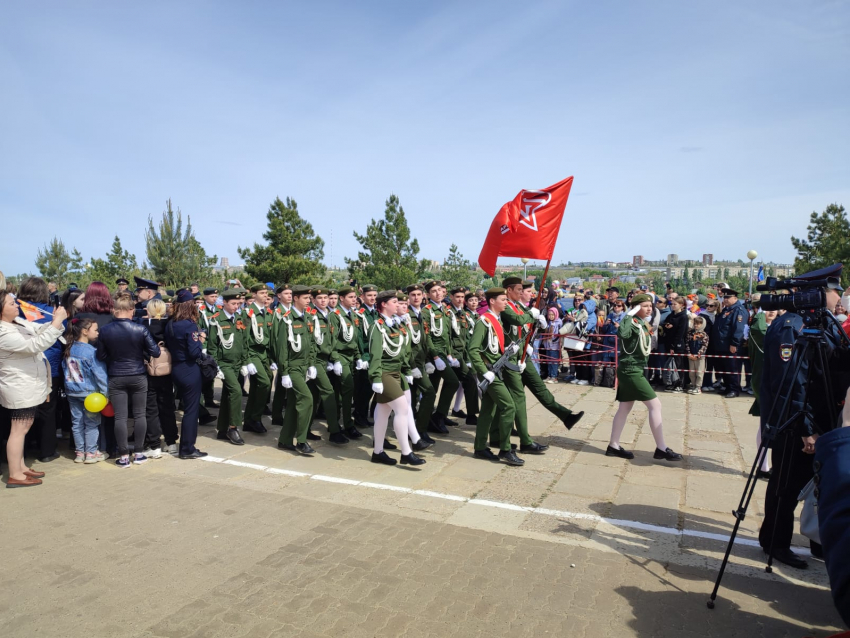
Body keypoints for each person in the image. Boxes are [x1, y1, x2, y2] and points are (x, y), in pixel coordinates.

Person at [757, 265, 848, 569]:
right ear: (815, 292)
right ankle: (775, 542)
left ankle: (819, 540)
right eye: (836, 290)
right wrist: (806, 429)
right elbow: (790, 384)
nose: (840, 296)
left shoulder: (825, 322)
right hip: (794, 423)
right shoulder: (791, 326)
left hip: (823, 422)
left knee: (820, 484)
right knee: (786, 486)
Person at [0, 290, 67, 487]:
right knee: (18, 429)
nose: (17, 306)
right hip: (18, 385)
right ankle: (15, 474)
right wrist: (56, 324)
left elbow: (38, 329)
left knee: (25, 426)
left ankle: (21, 467)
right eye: (11, 304)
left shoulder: (16, 323)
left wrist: (55, 320)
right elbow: (35, 345)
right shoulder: (3, 332)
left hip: (28, 384)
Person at [606, 293, 683, 462]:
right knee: (655, 405)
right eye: (645, 305)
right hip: (630, 369)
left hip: (635, 368)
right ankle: (661, 448)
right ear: (635, 307)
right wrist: (629, 314)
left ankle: (613, 445)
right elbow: (623, 334)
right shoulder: (631, 321)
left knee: (625, 408)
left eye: (651, 305)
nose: (650, 308)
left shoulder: (641, 322)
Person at [97, 293, 161, 468]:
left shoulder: (105, 330)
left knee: (121, 417)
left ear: (114, 310)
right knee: (140, 414)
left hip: (116, 375)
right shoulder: (140, 329)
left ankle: (124, 456)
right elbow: (156, 352)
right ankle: (139, 453)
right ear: (131, 310)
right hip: (138, 374)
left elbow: (101, 355)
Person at [367, 290, 426, 466]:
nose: (398, 304)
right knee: (402, 409)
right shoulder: (377, 326)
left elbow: (402, 351)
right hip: (384, 372)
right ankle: (406, 452)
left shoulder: (396, 325)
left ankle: (378, 452)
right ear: (384, 304)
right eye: (394, 301)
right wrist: (376, 377)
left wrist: (407, 370)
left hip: (397, 372)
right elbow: (375, 354)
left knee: (384, 412)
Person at [468, 287, 523, 465]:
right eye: (503, 300)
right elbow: (473, 350)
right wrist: (484, 372)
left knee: (487, 410)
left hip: (495, 369)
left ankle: (480, 446)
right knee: (509, 406)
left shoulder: (497, 320)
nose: (506, 303)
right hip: (489, 372)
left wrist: (510, 350)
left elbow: (493, 347)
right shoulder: (484, 321)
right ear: (492, 301)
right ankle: (505, 449)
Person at [17, 277, 65, 462]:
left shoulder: (15, 309)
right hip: (49, 367)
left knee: (22, 411)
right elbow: (63, 328)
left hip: (23, 366)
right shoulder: (50, 312)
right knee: (47, 409)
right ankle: (47, 451)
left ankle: (23, 448)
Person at [165, 289, 208, 459]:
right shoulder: (189, 325)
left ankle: (185, 446)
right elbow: (194, 352)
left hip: (175, 367)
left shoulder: (170, 323)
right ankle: (187, 448)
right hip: (189, 368)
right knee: (191, 411)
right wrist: (201, 340)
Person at [275, 285, 317, 455]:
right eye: (306, 298)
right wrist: (284, 372)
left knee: (293, 404)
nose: (309, 301)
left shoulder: (307, 317)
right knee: (307, 399)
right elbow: (282, 349)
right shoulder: (286, 319)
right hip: (292, 366)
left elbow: (311, 343)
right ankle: (301, 440)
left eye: (309, 298)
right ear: (296, 298)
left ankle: (285, 440)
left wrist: (312, 364)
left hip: (304, 365)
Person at [62, 317, 108, 464]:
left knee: (76, 423)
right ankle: (91, 452)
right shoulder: (91, 352)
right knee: (91, 423)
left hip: (72, 392)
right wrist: (106, 393)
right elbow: (100, 375)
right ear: (84, 331)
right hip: (90, 394)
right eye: (95, 329)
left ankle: (80, 453)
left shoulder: (69, 349)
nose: (98, 333)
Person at [207, 289, 249, 446]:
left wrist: (245, 362)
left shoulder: (242, 317)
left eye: (238, 303)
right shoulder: (215, 320)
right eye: (233, 303)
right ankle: (233, 427)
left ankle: (222, 429)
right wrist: (216, 366)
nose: (236, 306)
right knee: (236, 392)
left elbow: (245, 341)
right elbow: (212, 346)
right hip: (225, 363)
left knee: (228, 395)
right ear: (224, 302)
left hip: (238, 362)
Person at [307, 287, 347, 444]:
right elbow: (310, 342)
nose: (324, 301)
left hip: (325, 360)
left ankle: (305, 429)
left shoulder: (329, 316)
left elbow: (332, 340)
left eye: (326, 298)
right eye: (320, 298)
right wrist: (310, 363)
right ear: (314, 300)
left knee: (314, 397)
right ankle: (334, 431)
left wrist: (334, 359)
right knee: (328, 392)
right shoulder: (311, 316)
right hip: (315, 360)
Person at [421, 281, 460, 434]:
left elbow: (447, 335)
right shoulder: (426, 311)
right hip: (434, 354)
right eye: (434, 291)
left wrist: (449, 354)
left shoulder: (445, 309)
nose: (438, 293)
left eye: (439, 290)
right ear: (428, 295)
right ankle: (437, 417)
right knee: (452, 382)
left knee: (434, 387)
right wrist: (436, 357)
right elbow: (427, 336)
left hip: (444, 352)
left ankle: (433, 418)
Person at [141, 298, 176, 457]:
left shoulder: (143, 326)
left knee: (151, 409)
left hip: (149, 371)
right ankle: (171, 442)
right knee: (167, 407)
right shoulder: (169, 326)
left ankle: (154, 444)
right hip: (167, 371)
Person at [329, 286, 364, 441]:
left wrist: (358, 357)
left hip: (350, 357)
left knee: (341, 391)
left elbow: (354, 338)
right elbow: (332, 341)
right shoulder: (335, 315)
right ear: (341, 299)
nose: (354, 299)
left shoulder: (352, 314)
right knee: (346, 390)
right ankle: (346, 425)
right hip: (340, 356)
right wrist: (336, 360)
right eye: (350, 297)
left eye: (354, 297)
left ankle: (337, 424)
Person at [405, 284, 438, 444]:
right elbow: (406, 345)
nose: (416, 297)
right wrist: (412, 366)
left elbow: (425, 340)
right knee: (428, 392)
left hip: (421, 361)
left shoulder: (423, 314)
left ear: (423, 295)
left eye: (419, 294)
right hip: (410, 364)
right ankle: (419, 429)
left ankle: (412, 430)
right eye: (413, 295)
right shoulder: (406, 315)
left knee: (412, 397)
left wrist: (429, 360)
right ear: (408, 297)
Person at [242, 284, 274, 434]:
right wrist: (247, 360)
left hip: (264, 354)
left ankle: (249, 420)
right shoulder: (248, 313)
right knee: (265, 382)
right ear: (253, 294)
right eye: (261, 293)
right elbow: (244, 338)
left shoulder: (267, 312)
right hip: (253, 353)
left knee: (256, 387)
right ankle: (256, 418)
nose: (265, 295)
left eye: (266, 293)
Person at [711, 288, 748, 398]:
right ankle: (727, 387)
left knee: (733, 368)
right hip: (722, 346)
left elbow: (739, 329)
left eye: (728, 297)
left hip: (731, 346)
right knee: (724, 368)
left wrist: (734, 343)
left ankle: (734, 389)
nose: (725, 299)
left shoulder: (739, 310)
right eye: (724, 297)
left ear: (735, 298)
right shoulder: (726, 310)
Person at [662, 297, 689, 392]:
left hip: (678, 344)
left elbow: (681, 332)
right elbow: (665, 324)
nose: (673, 306)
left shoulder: (683, 317)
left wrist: (674, 345)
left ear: (681, 305)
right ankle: (672, 383)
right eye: (672, 304)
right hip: (669, 342)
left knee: (679, 364)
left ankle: (680, 384)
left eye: (675, 304)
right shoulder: (671, 315)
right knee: (671, 364)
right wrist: (667, 326)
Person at [686, 315, 709, 394]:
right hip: (691, 356)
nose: (696, 325)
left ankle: (698, 387)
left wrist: (699, 354)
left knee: (699, 372)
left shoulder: (704, 334)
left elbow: (704, 345)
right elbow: (687, 343)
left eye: (698, 324)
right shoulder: (690, 333)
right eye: (695, 323)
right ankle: (693, 384)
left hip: (700, 357)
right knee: (691, 372)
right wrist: (689, 353)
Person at [543, 307, 562, 383]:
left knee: (554, 361)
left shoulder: (559, 322)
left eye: (552, 315)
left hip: (554, 345)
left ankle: (554, 377)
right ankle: (550, 375)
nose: (550, 316)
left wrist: (553, 340)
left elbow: (559, 334)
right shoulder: (549, 322)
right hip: (548, 344)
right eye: (549, 315)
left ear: (556, 314)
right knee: (549, 361)